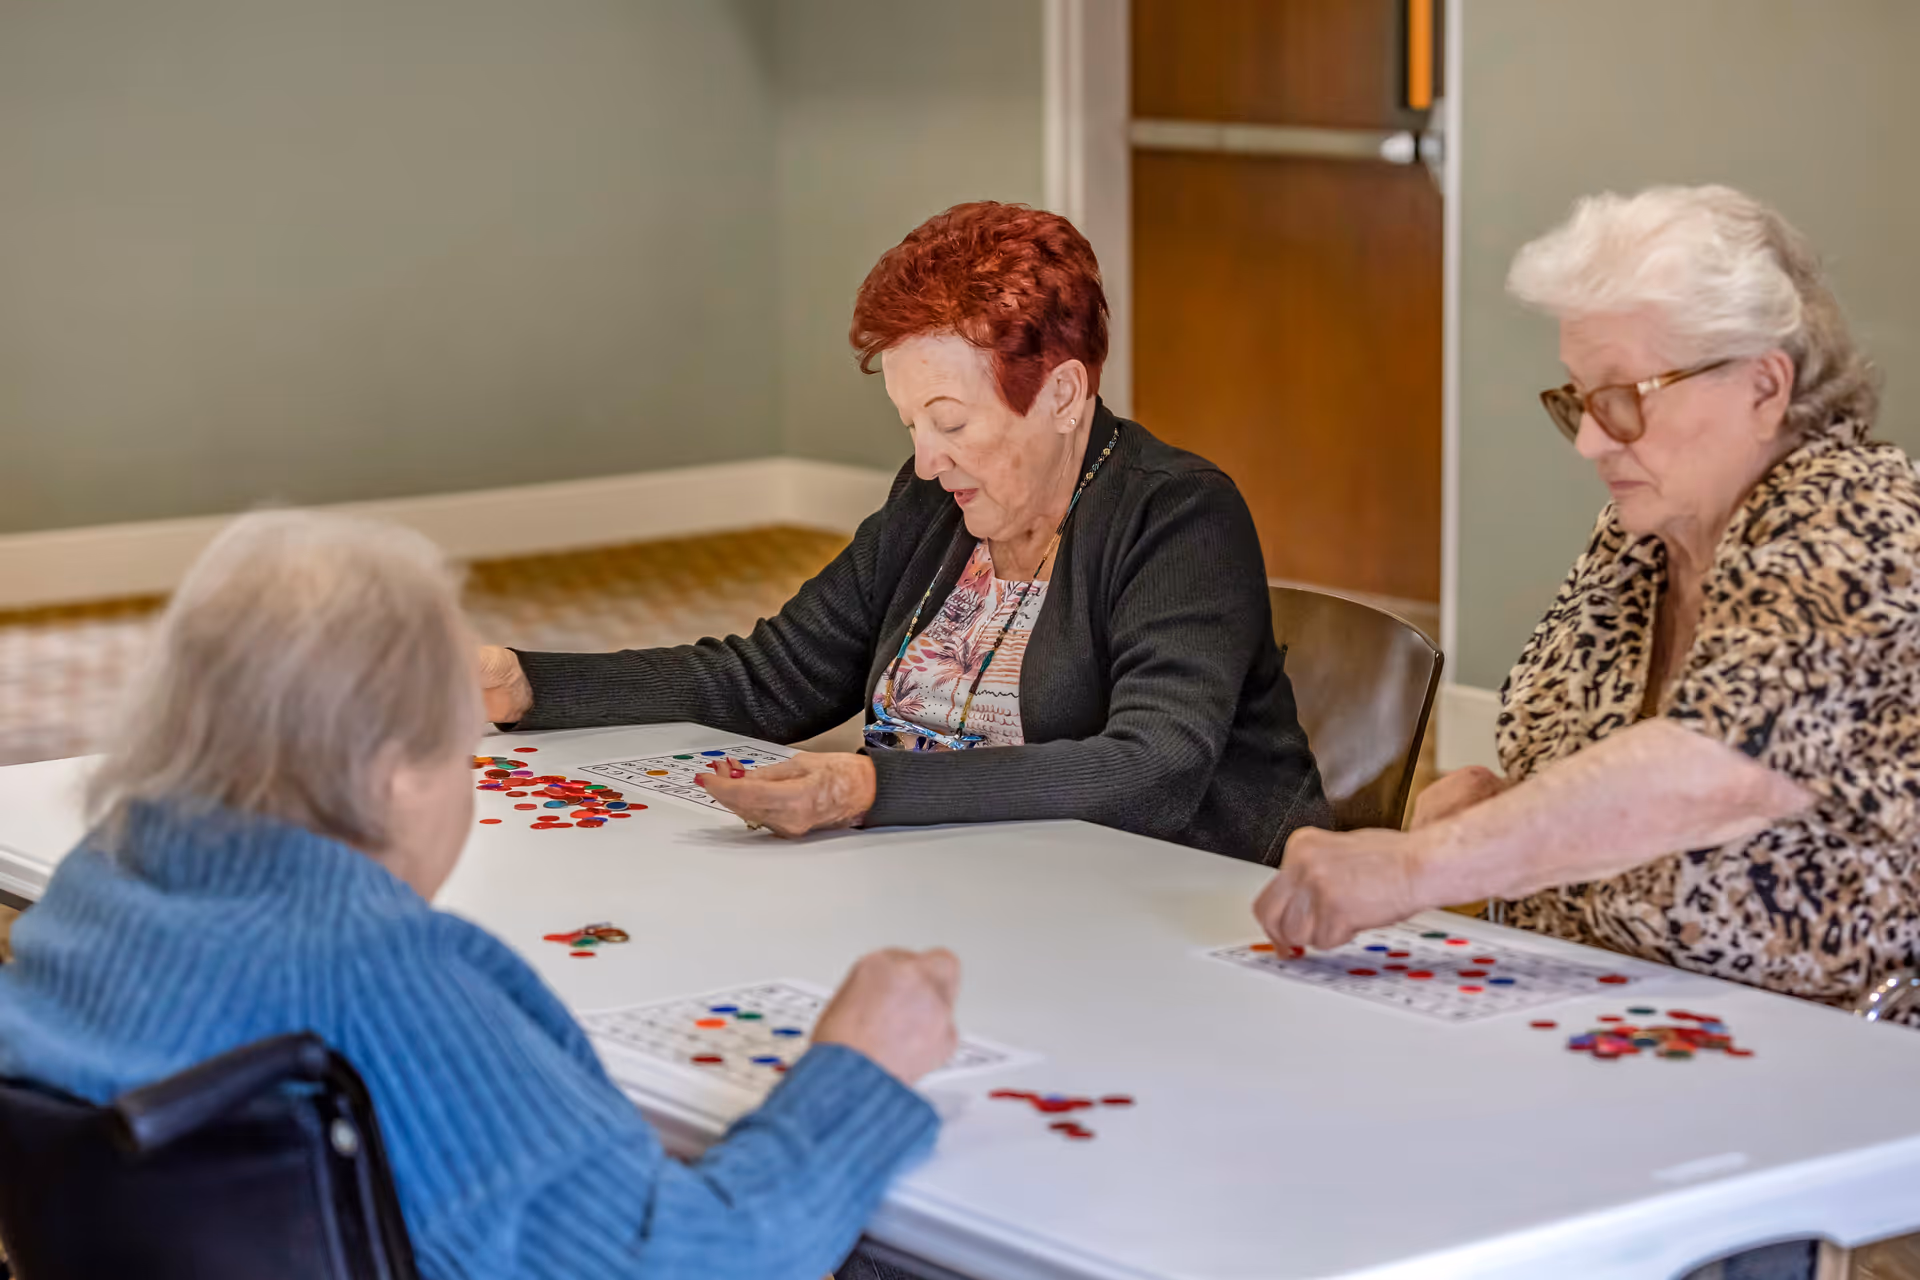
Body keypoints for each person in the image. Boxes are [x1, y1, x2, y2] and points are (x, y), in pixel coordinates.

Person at [0, 510, 961, 1280]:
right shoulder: (393, 978)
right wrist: (857, 1068)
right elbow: (695, 1260)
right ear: (393, 771)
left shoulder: (91, 888)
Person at [479, 201, 1329, 863]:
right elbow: (769, 679)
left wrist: (866, 786)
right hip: (954, 889)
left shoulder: (1178, 515)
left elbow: (1151, 769)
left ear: (1065, 396)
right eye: (910, 424)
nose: (925, 462)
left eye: (951, 422)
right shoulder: (937, 505)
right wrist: (528, 685)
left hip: (1154, 911)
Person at [1253, 185, 1920, 1012]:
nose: (1593, 441)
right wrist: (1491, 809)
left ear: (1764, 387)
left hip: (1812, 1047)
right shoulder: (1640, 533)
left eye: (1626, 399)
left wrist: (1420, 864)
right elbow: (1576, 765)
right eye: (1578, 399)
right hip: (1589, 1006)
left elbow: (1711, 771)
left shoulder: (1862, 525)